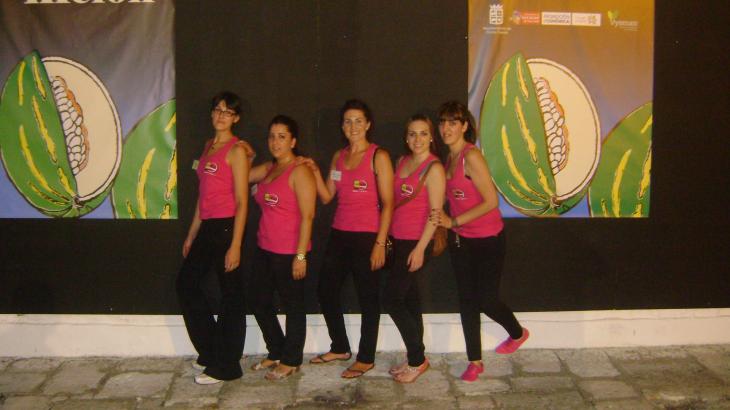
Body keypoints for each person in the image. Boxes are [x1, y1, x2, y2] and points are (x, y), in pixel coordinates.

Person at [430, 101, 529, 382]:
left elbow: (491, 201)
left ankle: (518, 333)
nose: (446, 128)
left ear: (464, 126)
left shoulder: (470, 157)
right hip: (461, 240)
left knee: (486, 299)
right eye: (442, 122)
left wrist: (453, 222)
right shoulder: (447, 159)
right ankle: (475, 361)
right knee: (467, 301)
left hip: (488, 239)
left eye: (453, 122)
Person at [306, 99, 394, 378]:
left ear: (367, 124)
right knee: (325, 290)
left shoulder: (378, 156)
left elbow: (389, 203)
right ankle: (340, 347)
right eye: (347, 121)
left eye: (358, 121)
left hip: (368, 236)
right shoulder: (339, 156)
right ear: (342, 126)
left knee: (368, 298)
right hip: (340, 234)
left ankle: (366, 358)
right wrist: (314, 171)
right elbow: (327, 196)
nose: (352, 126)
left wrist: (380, 243)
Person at [176, 91, 253, 385]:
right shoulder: (209, 146)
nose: (221, 116)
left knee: (231, 296)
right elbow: (203, 196)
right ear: (212, 113)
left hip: (227, 228)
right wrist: (192, 234)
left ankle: (227, 367)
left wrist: (236, 245)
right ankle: (211, 353)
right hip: (208, 227)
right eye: (218, 110)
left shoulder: (237, 151)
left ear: (236, 118)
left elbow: (242, 201)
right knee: (186, 284)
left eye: (228, 112)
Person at [248, 115, 317, 380]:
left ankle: (292, 359)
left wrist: (300, 256)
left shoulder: (300, 171)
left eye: (282, 137)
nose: (275, 142)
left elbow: (308, 216)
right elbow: (240, 175)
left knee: (293, 306)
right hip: (264, 246)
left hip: (290, 251)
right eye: (272, 136)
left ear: (293, 141)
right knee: (258, 300)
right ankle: (276, 350)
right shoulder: (269, 168)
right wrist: (247, 154)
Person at [385, 114, 445, 383]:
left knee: (392, 299)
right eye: (412, 134)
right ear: (406, 137)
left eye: (423, 133)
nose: (417, 139)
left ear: (431, 137)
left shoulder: (434, 169)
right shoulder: (401, 162)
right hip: (398, 240)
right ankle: (414, 357)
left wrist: (420, 249)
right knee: (410, 300)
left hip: (417, 242)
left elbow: (435, 214)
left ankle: (418, 360)